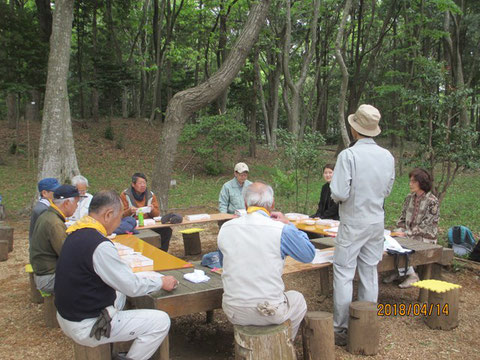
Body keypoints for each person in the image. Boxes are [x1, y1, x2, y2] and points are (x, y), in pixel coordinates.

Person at [55, 191, 177, 360]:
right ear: (108, 214)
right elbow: (132, 286)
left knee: (119, 291)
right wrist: (161, 282)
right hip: (86, 324)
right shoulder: (99, 245)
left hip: (67, 315)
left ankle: (119, 342)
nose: (119, 222)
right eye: (119, 217)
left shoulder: (75, 231)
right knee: (161, 321)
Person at [330, 104, 395, 345]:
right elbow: (387, 190)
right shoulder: (387, 156)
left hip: (353, 221)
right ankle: (366, 322)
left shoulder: (349, 155)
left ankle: (341, 328)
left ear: (354, 129)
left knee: (344, 273)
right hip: (376, 221)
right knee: (369, 272)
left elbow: (338, 192)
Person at [218, 182, 315, 339]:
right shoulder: (281, 229)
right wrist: (289, 224)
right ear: (272, 204)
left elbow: (224, 262)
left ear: (245, 203)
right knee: (298, 299)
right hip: (268, 310)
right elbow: (308, 254)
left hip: (233, 309)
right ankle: (284, 342)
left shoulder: (226, 228)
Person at [383, 168, 440, 288]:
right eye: (410, 181)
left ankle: (412, 275)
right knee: (390, 238)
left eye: (414, 181)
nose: (410, 184)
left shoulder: (432, 201)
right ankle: (401, 272)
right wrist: (400, 230)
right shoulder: (409, 197)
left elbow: (426, 226)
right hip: (409, 233)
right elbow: (402, 218)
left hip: (425, 237)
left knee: (402, 243)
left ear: (422, 183)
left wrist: (407, 233)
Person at [29, 184, 81, 293]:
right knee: (92, 280)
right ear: (67, 203)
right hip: (48, 277)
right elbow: (68, 255)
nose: (77, 206)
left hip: (43, 272)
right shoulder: (55, 223)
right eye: (76, 202)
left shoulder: (48, 215)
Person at [120, 173, 172, 252]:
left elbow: (156, 214)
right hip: (132, 225)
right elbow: (121, 215)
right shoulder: (125, 195)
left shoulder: (150, 195)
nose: (143, 185)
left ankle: (161, 253)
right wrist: (129, 211)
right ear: (133, 184)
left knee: (166, 230)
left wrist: (152, 210)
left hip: (148, 223)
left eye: (144, 183)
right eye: (140, 183)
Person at [29, 178, 60, 245]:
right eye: (55, 192)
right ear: (44, 193)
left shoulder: (45, 206)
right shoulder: (43, 209)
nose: (58, 194)